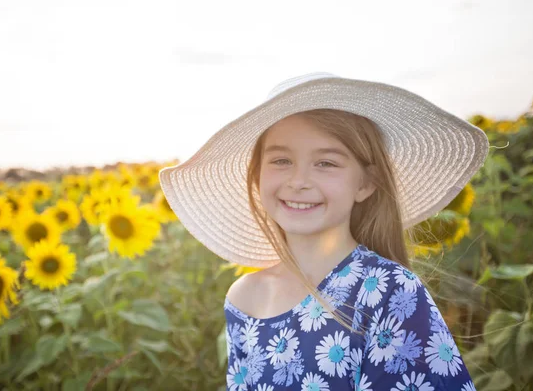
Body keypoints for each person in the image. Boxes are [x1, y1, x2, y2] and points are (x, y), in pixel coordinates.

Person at [159, 73, 489, 390]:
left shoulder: (388, 292)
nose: (298, 181)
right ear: (257, 176)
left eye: (326, 163)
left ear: (366, 182)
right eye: (281, 161)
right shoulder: (244, 298)